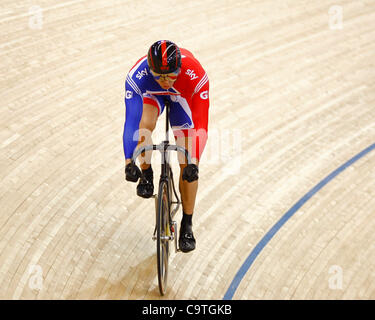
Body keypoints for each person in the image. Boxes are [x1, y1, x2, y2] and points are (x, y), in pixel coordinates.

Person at [123, 40, 210, 253]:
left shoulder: (195, 75)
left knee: (187, 160)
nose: (164, 80)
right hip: (152, 97)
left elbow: (200, 124)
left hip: (183, 97)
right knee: (144, 126)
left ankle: (187, 224)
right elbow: (131, 122)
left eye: (170, 75)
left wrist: (193, 161)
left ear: (179, 69)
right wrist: (128, 160)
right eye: (158, 75)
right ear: (149, 69)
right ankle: (147, 172)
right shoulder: (138, 76)